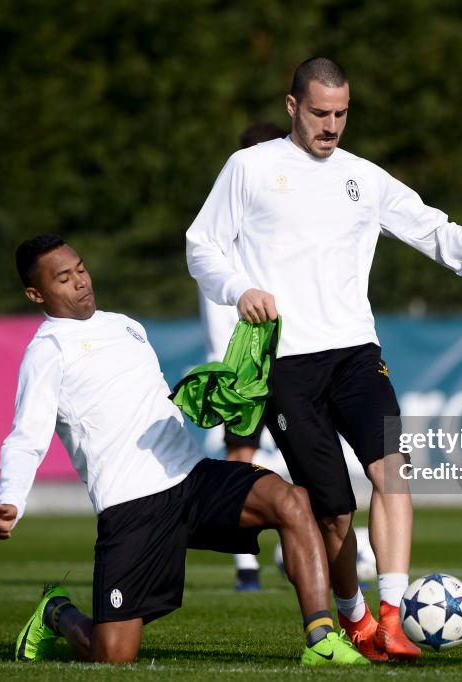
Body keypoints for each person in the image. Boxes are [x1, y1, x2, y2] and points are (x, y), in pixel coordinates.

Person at [186, 57, 462, 661]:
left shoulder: (365, 178)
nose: (331, 126)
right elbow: (200, 245)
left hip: (356, 352)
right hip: (286, 363)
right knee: (332, 510)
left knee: (394, 469)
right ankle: (353, 616)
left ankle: (394, 614)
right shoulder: (248, 169)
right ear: (291, 106)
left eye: (341, 114)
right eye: (319, 114)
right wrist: (237, 289)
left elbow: (436, 232)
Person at [0, 234, 368, 666]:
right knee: (112, 657)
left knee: (292, 500)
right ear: (36, 293)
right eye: (63, 278)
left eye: (80, 268)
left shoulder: (125, 325)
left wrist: (204, 401)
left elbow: (147, 403)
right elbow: (26, 436)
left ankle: (321, 638)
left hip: (192, 478)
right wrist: (9, 498)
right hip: (133, 506)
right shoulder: (46, 352)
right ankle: (58, 613)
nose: (81, 281)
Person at [197, 121, 288, 592]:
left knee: (311, 461)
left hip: (293, 361)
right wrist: (229, 370)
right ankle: (244, 563)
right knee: (241, 458)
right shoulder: (221, 235)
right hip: (243, 370)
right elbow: (218, 308)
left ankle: (300, 552)